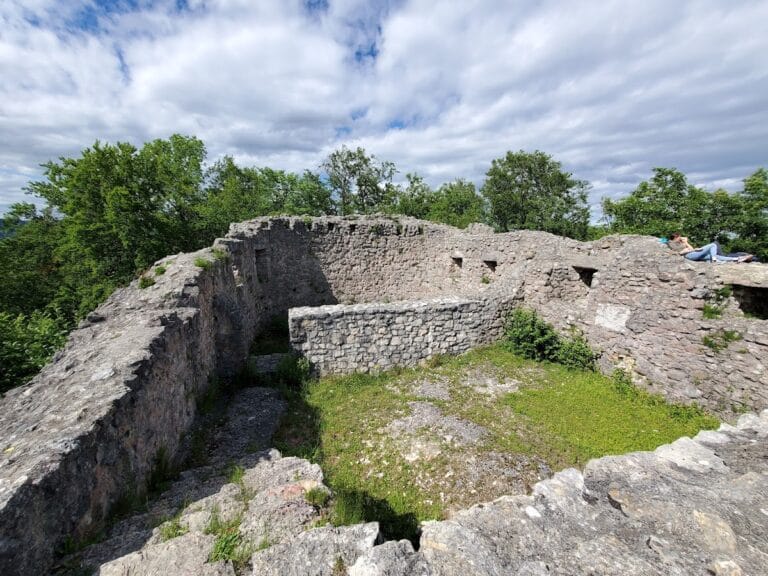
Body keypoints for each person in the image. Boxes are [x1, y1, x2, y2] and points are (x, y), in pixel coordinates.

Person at [668, 233, 753, 263]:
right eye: (679, 237)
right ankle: (715, 260)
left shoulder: (680, 242)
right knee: (713, 245)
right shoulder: (671, 243)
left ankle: (737, 259)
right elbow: (679, 251)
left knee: (714, 255)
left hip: (692, 253)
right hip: (689, 256)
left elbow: (690, 248)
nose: (681, 238)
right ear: (675, 237)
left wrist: (687, 243)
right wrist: (686, 245)